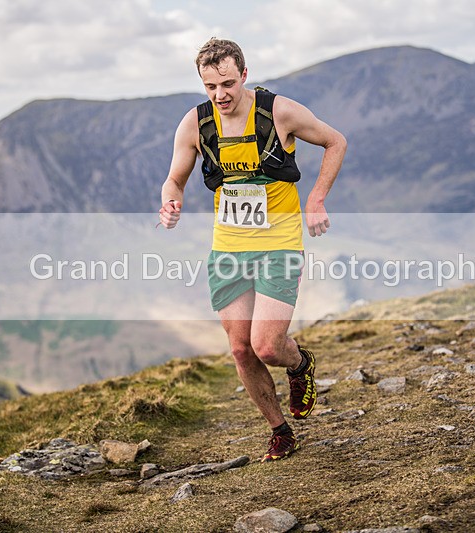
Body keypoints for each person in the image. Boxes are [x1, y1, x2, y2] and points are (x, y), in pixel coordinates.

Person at [158, 38, 346, 462]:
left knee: (265, 345)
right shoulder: (195, 124)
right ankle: (280, 431)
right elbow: (174, 178)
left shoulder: (278, 111)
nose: (220, 95)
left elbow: (336, 141)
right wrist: (172, 200)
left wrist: (316, 199)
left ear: (244, 74)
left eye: (227, 83)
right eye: (210, 87)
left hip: (279, 243)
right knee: (240, 348)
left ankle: (298, 365)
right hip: (228, 248)